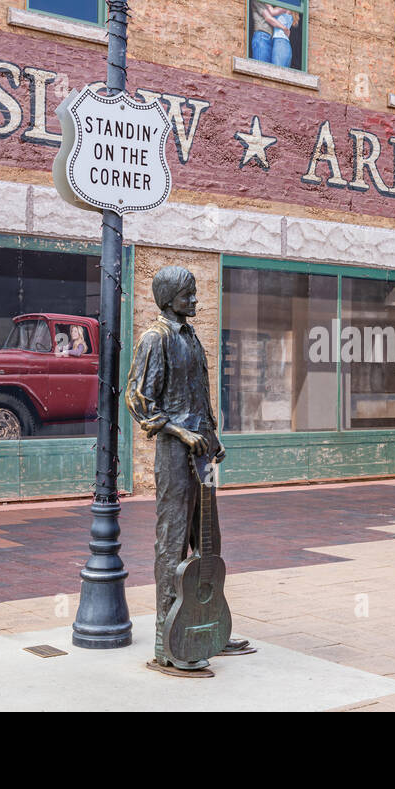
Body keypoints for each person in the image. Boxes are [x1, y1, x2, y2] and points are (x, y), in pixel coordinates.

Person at [125, 266, 250, 674]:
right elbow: (139, 399)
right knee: (174, 538)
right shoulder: (155, 339)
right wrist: (181, 432)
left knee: (208, 540)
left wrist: (212, 436)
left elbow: (198, 395)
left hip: (203, 452)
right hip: (176, 453)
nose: (196, 301)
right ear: (167, 298)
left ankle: (207, 623)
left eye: (195, 294)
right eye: (188, 295)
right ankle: (168, 637)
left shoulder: (191, 336)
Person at [249, 1, 297, 68]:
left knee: (275, 71)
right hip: (279, 40)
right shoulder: (286, 8)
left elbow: (271, 12)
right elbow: (269, 16)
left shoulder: (285, 7)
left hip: (280, 41)